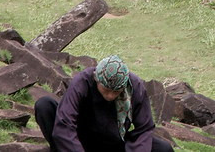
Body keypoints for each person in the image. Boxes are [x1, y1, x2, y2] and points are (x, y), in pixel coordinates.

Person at [34, 54, 173, 152]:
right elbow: (65, 124)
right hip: (80, 139)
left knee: (163, 148)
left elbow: (144, 128)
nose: (111, 96)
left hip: (114, 141)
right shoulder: (82, 82)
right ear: (97, 79)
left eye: (116, 92)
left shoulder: (135, 86)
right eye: (106, 90)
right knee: (44, 105)